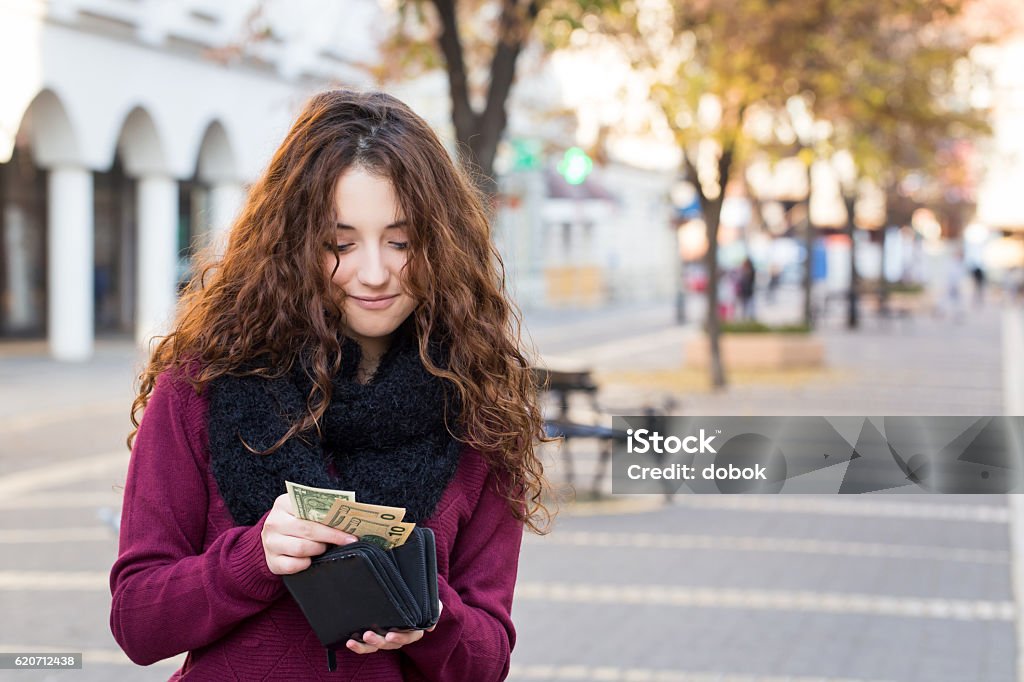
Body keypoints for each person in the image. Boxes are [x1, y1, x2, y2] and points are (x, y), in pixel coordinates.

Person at [109, 89, 550, 681]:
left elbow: (488, 660)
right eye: (339, 245)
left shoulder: (478, 409)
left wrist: (429, 613)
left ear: (442, 245)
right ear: (292, 244)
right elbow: (138, 620)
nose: (373, 273)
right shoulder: (201, 384)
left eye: (401, 241)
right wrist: (253, 558)